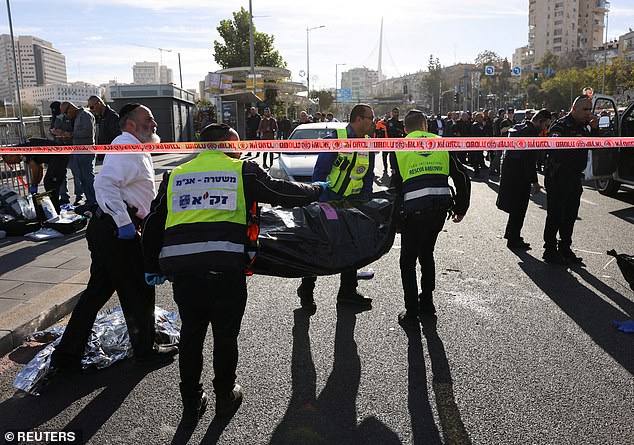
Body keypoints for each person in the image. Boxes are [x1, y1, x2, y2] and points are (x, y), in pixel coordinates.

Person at [141, 123, 326, 426]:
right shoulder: (243, 170)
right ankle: (225, 395)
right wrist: (318, 190)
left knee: (191, 336)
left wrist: (151, 266)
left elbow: (153, 223)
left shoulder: (175, 175)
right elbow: (282, 192)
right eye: (238, 143)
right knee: (225, 336)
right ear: (227, 143)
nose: (241, 148)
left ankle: (191, 401)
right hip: (225, 271)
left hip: (186, 274)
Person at [49, 103, 179, 379]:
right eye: (149, 119)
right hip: (117, 231)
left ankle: (68, 354)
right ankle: (145, 352)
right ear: (131, 124)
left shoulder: (135, 148)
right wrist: (124, 224)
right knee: (138, 290)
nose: (154, 124)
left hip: (109, 230)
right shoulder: (125, 147)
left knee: (97, 291)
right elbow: (104, 185)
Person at [390, 110, 470, 328]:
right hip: (438, 210)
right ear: (425, 125)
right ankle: (427, 302)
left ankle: (411, 311)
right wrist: (461, 207)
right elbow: (462, 177)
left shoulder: (399, 146)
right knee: (427, 254)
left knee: (407, 260)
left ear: (405, 129)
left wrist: (395, 219)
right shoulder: (441, 142)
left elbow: (396, 187)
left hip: (413, 212)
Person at [296, 104, 376, 313]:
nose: (373, 122)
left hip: (353, 203)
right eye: (370, 118)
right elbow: (320, 173)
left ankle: (348, 292)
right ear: (358, 119)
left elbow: (368, 176)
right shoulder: (337, 138)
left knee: (352, 245)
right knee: (319, 245)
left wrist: (365, 203)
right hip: (329, 201)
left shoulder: (369, 143)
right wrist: (320, 203)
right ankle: (307, 289)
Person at [543, 95, 597, 264]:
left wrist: (594, 130)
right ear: (574, 109)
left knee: (571, 215)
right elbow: (554, 149)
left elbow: (593, 145)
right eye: (585, 109)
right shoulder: (560, 125)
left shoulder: (585, 126)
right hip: (558, 175)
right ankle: (550, 249)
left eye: (590, 109)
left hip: (574, 177)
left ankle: (565, 248)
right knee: (556, 214)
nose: (588, 113)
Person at [497, 109, 552, 250]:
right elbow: (529, 161)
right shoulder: (531, 133)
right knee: (519, 209)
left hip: (511, 172)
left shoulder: (519, 127)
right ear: (539, 121)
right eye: (545, 125)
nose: (545, 128)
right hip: (520, 175)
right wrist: (535, 182)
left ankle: (511, 234)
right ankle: (514, 239)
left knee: (515, 208)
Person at [60, 101, 97, 212]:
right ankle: (90, 199)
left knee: (88, 176)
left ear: (71, 108)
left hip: (86, 151)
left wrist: (69, 134)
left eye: (66, 113)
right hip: (78, 150)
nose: (67, 116)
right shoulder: (78, 116)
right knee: (82, 176)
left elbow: (87, 132)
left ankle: (94, 200)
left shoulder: (85, 115)